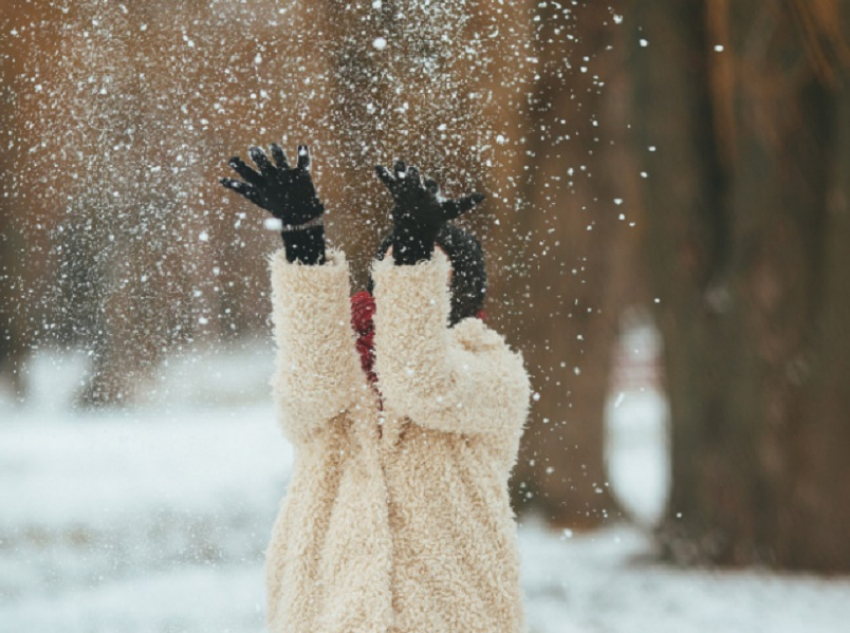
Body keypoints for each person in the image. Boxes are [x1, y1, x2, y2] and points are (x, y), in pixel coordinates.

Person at [221, 144, 531, 633]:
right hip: (326, 607)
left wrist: (412, 255)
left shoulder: (493, 373)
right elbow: (310, 391)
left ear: (461, 289)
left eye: (428, 268)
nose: (407, 277)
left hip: (451, 614)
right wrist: (304, 240)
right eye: (397, 263)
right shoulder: (338, 364)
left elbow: (421, 382)